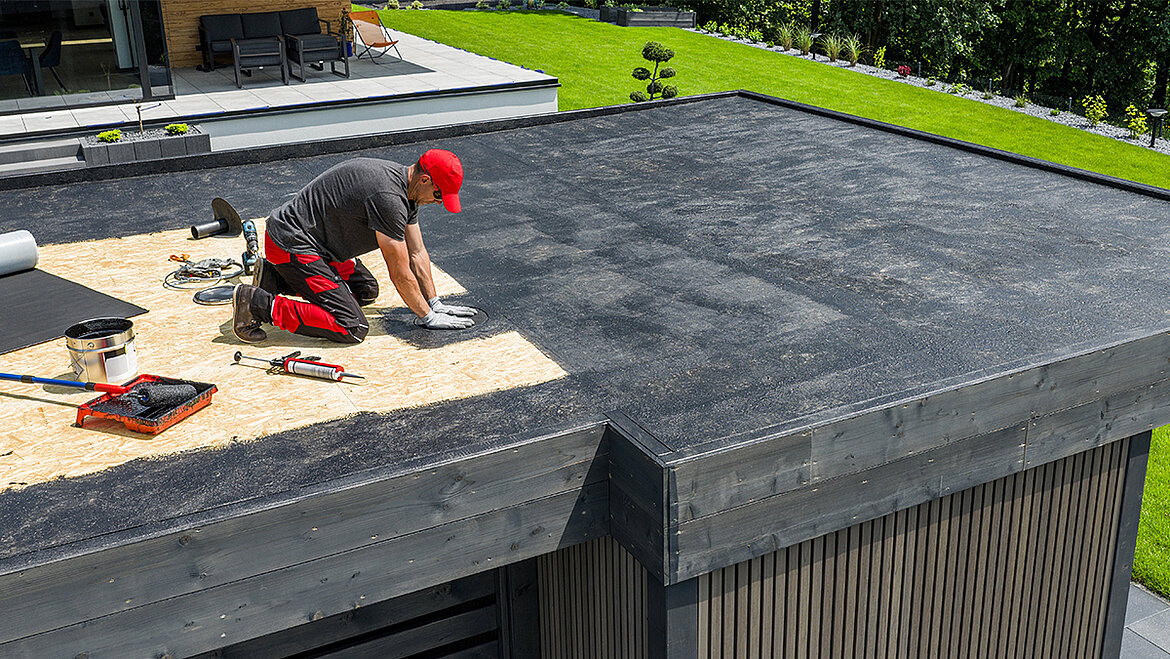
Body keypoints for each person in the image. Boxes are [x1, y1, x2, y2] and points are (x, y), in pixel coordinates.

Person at [231, 150, 477, 344]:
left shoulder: (408, 190)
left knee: (365, 289)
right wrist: (428, 317)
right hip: (292, 244)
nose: (437, 202)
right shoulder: (389, 199)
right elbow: (400, 273)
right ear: (425, 179)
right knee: (351, 326)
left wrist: (435, 303)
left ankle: (273, 279)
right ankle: (256, 304)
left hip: (316, 245)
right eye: (438, 195)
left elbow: (417, 252)